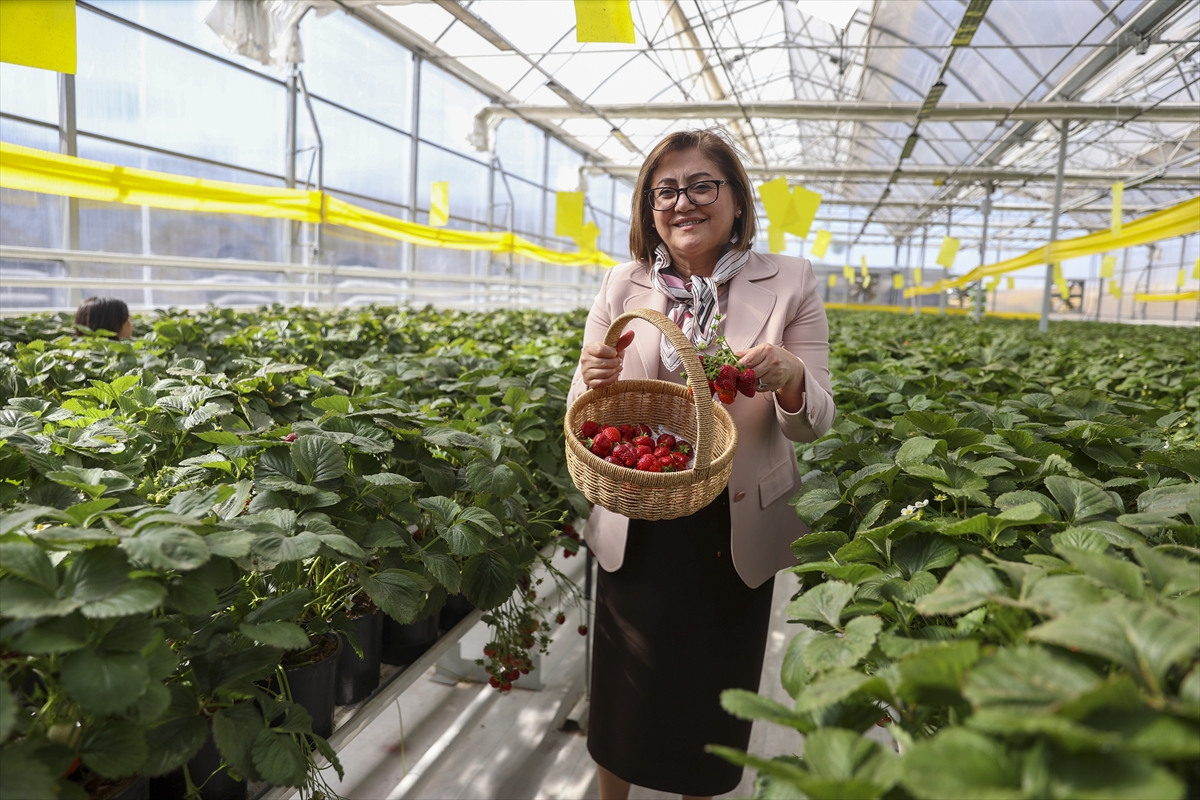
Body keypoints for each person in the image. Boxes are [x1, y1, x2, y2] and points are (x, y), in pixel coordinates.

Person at [567, 128, 836, 800]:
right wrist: (595, 380)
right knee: (626, 683)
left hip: (732, 522)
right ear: (649, 208)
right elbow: (582, 408)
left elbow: (816, 421)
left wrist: (791, 376)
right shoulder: (623, 282)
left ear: (737, 201)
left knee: (713, 690)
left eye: (701, 185)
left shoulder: (791, 279)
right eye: (666, 190)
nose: (683, 202)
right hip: (642, 507)